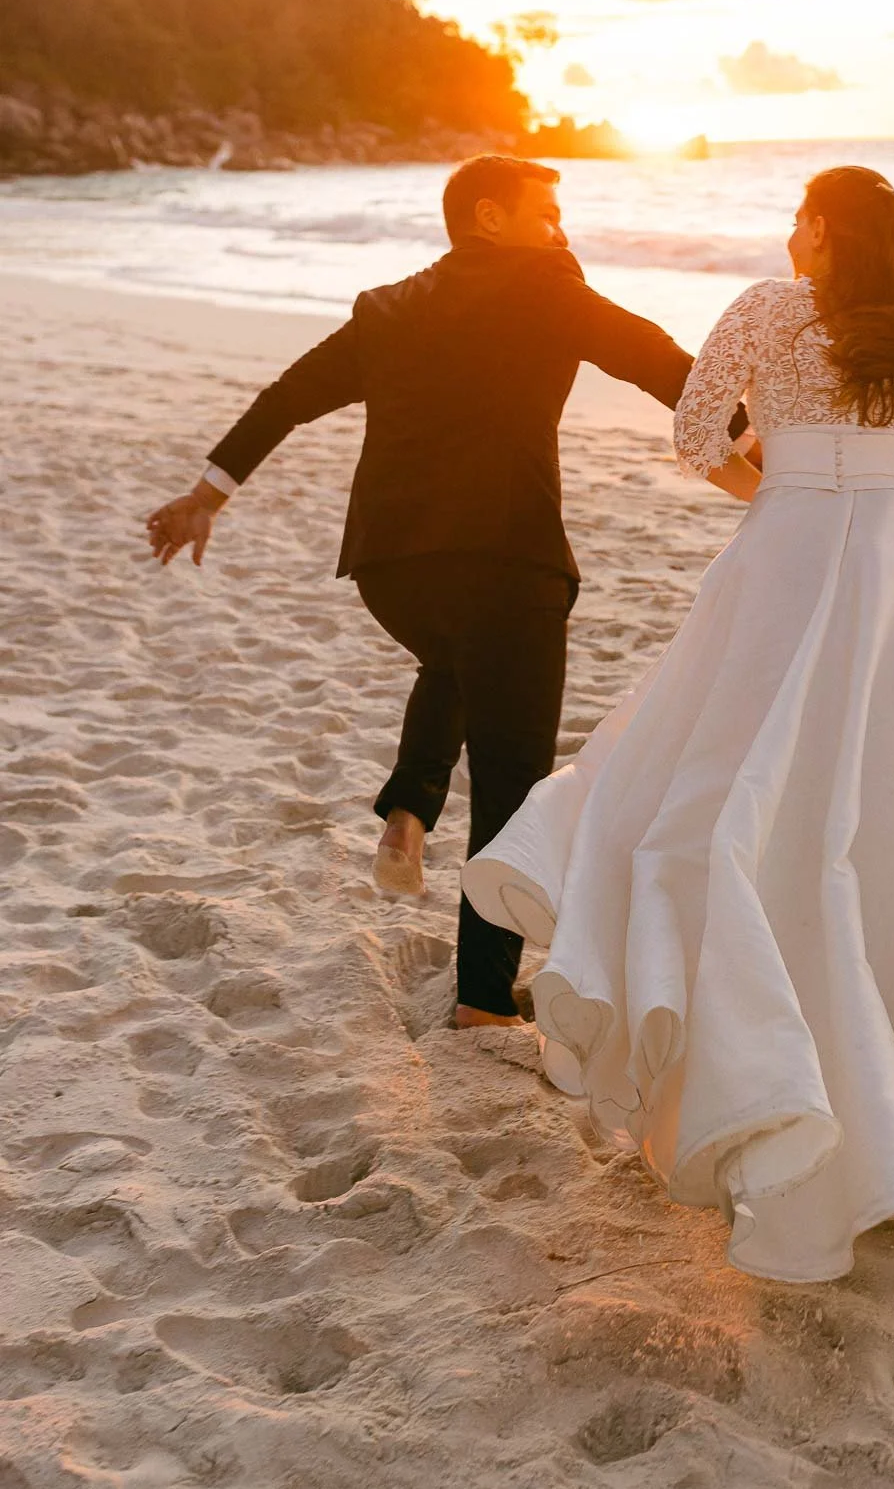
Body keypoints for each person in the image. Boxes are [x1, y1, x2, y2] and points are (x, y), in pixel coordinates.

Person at [462, 164, 894, 1283]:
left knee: (737, 791)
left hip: (790, 560)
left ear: (828, 233)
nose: (789, 234)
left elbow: (698, 438)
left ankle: (766, 1076)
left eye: (801, 217)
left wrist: (785, 493)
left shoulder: (760, 307)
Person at [143, 155, 750, 1030]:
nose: (559, 230)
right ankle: (480, 998)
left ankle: (408, 808)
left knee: (452, 665)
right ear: (490, 217)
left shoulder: (385, 308)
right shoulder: (546, 289)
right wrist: (757, 437)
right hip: (506, 560)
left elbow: (288, 399)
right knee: (511, 779)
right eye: (547, 214)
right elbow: (653, 359)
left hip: (391, 566)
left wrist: (207, 495)